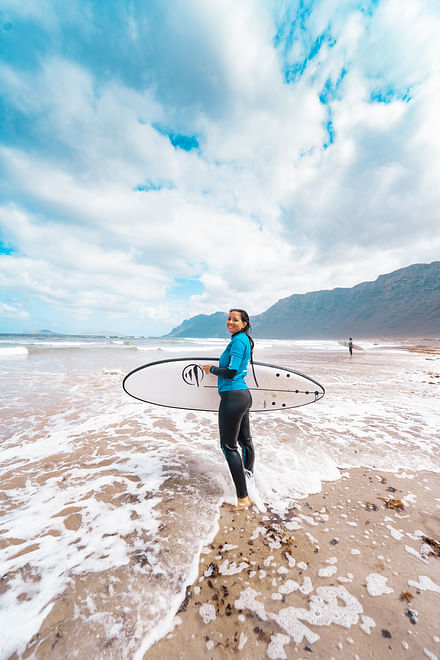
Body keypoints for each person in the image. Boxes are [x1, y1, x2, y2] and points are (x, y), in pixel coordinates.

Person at [202, 309, 255, 511]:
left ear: (244, 323)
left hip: (233, 397)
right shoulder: (242, 340)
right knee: (245, 442)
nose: (230, 322)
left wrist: (212, 369)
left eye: (235, 319)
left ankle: (243, 498)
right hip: (242, 396)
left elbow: (231, 371)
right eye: (229, 319)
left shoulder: (239, 341)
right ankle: (248, 481)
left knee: (228, 446)